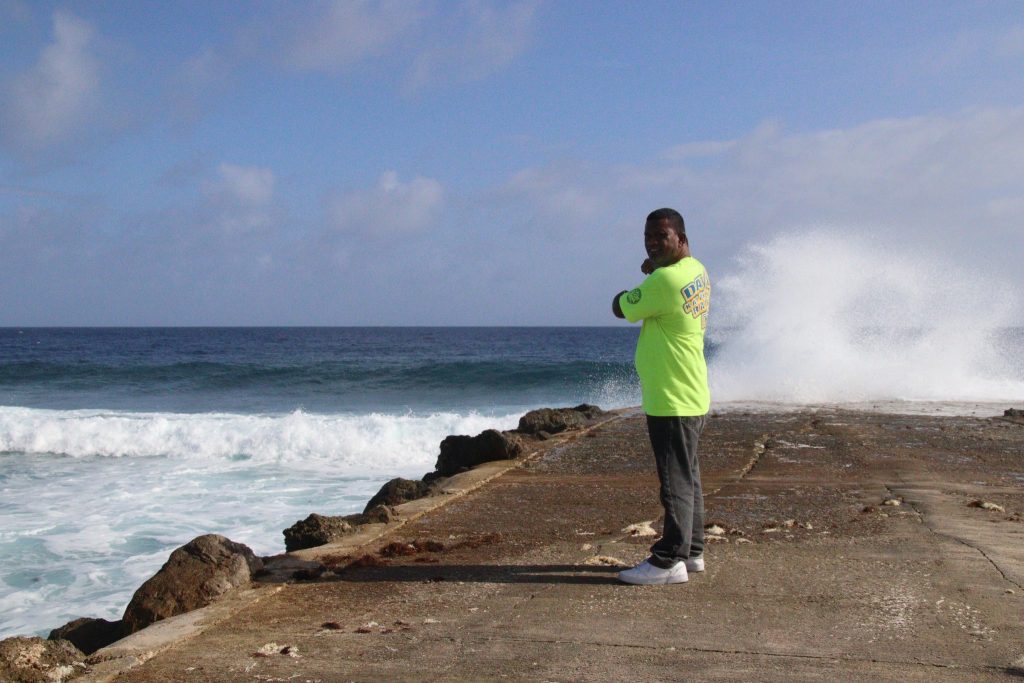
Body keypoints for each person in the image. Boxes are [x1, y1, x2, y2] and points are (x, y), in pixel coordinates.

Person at [612, 207, 711, 585]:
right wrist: (655, 271)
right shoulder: (696, 271)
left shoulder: (663, 283)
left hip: (671, 396)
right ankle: (693, 551)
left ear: (681, 239)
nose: (653, 243)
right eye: (648, 237)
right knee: (689, 477)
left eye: (661, 237)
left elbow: (620, 307)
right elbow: (666, 282)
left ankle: (668, 561)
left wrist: (640, 286)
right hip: (692, 389)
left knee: (674, 482)